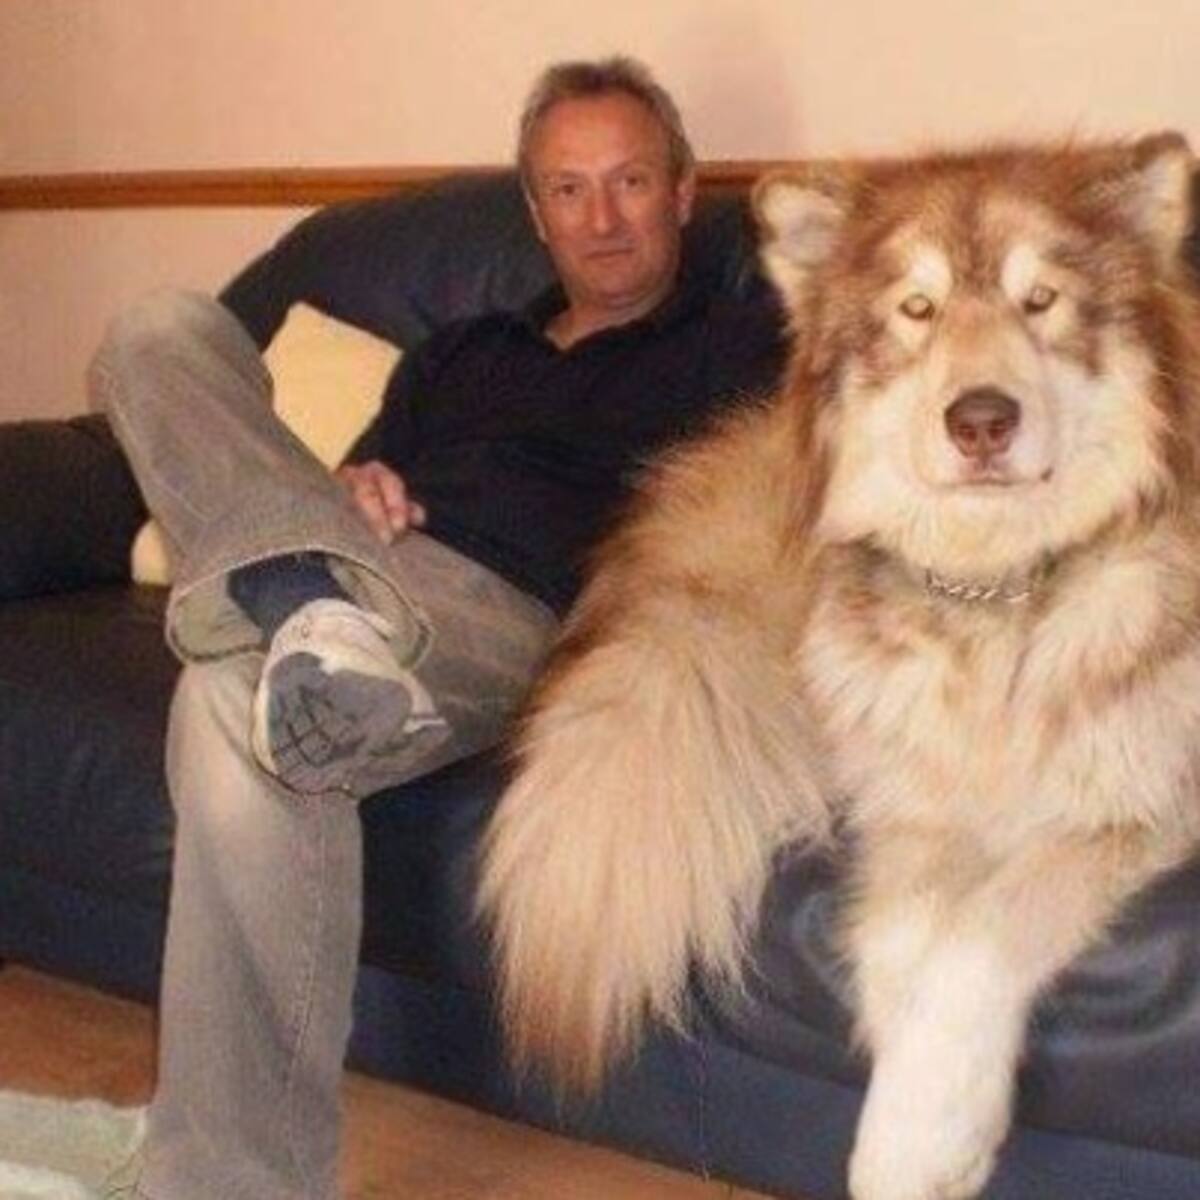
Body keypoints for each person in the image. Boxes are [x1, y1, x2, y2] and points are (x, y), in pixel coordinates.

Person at [92, 55, 786, 1200]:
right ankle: (307, 604)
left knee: (226, 697)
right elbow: (355, 478)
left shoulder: (742, 348)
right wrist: (350, 486)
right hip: (363, 565)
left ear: (680, 192)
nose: (601, 220)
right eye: (568, 190)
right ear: (535, 212)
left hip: (505, 606)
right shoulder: (461, 352)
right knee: (156, 331)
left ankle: (226, 1182)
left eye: (629, 183)